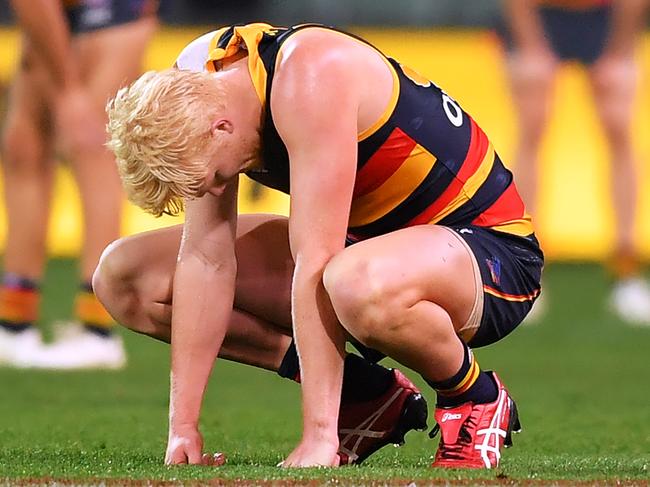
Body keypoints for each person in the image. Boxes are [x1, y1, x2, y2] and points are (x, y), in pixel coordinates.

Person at [97, 23, 543, 468]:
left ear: (221, 127)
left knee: (350, 280)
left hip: (487, 249)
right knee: (126, 278)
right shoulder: (197, 83)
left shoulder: (311, 76)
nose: (216, 188)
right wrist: (183, 428)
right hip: (366, 248)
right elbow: (204, 258)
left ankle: (474, 396)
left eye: (214, 177)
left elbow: (318, 260)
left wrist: (318, 440)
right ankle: (365, 395)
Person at [0, 0, 159, 368]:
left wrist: (69, 92)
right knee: (23, 148)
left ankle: (98, 330)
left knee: (93, 148)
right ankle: (14, 322)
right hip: (57, 12)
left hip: (113, 12)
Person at [500, 0, 650, 324]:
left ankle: (626, 271)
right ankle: (526, 274)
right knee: (531, 125)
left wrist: (618, 50)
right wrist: (531, 45)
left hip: (604, 16)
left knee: (619, 125)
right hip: (541, 13)